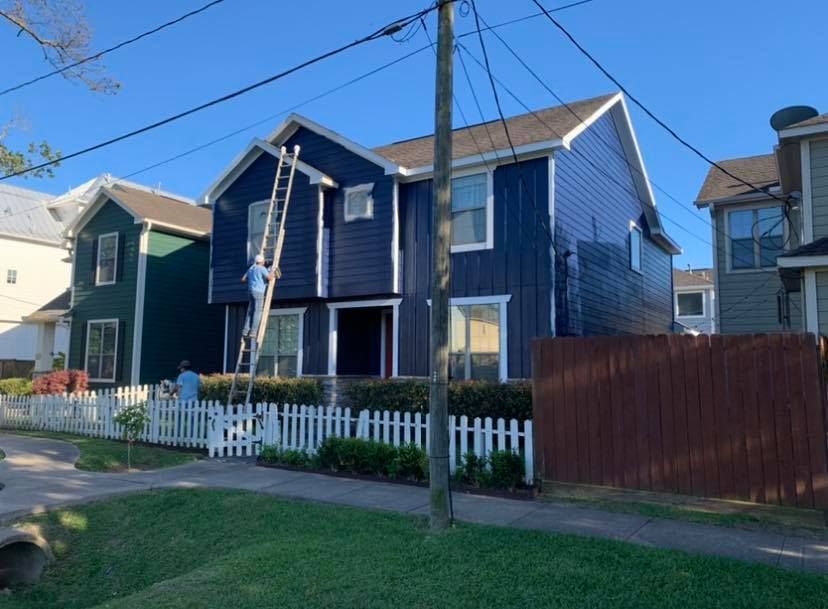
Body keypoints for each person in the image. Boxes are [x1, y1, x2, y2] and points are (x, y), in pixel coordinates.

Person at [241, 254, 275, 341]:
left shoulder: (251, 268)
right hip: (259, 292)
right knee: (257, 312)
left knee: (250, 312)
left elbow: (243, 279)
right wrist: (272, 271)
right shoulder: (262, 269)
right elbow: (270, 278)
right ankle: (253, 332)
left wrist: (253, 279)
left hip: (250, 291)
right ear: (262, 262)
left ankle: (245, 331)